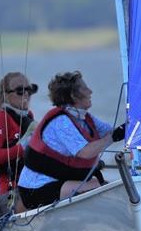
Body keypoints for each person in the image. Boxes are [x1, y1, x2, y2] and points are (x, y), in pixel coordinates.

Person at [18, 71, 125, 210]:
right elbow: (85, 152)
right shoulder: (61, 122)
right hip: (36, 189)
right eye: (85, 88)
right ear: (74, 95)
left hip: (58, 181)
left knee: (100, 185)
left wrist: (136, 126)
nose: (90, 91)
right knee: (100, 188)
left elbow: (112, 132)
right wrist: (113, 137)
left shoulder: (85, 118)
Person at [0, 71, 37, 215]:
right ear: (6, 95)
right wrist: (23, 147)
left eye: (29, 90)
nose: (26, 94)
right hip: (10, 193)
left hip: (32, 186)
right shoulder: (2, 118)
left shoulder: (28, 118)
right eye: (20, 91)